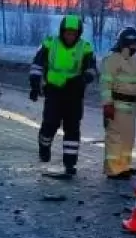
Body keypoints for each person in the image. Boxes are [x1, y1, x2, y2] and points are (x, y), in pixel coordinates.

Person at [28, 14, 97, 176]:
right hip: (54, 90)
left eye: (73, 33)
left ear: (78, 34)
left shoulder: (85, 47)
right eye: (67, 32)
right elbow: (37, 65)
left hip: (74, 93)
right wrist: (34, 85)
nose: (70, 36)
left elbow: (92, 69)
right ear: (62, 31)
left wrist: (84, 78)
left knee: (72, 128)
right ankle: (44, 146)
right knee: (50, 123)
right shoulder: (50, 43)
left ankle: (70, 163)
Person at [100, 26, 136, 180]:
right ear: (124, 43)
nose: (135, 47)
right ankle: (113, 170)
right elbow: (106, 83)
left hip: (130, 108)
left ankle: (123, 166)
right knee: (115, 138)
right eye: (132, 44)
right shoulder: (112, 59)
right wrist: (107, 104)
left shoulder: (134, 61)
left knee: (128, 139)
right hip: (116, 107)